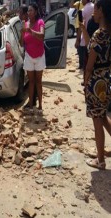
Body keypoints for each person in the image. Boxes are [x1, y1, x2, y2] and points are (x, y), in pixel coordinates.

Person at [83, 0, 111, 170]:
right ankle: (100, 155)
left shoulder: (99, 34)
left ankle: (100, 160)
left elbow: (89, 65)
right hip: (106, 78)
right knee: (102, 116)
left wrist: (86, 82)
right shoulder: (109, 33)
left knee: (97, 121)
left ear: (101, 11)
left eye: (95, 9)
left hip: (96, 81)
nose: (93, 12)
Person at [20, 3, 45, 115]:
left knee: (38, 82)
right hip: (29, 56)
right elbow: (22, 43)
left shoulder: (40, 22)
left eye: (31, 11)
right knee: (31, 82)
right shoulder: (26, 24)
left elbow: (42, 36)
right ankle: (31, 106)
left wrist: (31, 31)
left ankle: (40, 106)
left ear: (35, 12)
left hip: (39, 56)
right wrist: (22, 33)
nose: (28, 13)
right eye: (28, 11)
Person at [75, 0, 94, 70]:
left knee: (85, 64)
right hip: (94, 37)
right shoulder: (94, 7)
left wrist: (77, 40)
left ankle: (86, 79)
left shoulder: (83, 10)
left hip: (84, 39)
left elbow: (80, 27)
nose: (81, 1)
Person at [70, 0, 84, 68]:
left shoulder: (84, 4)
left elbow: (71, 5)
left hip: (81, 26)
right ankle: (81, 62)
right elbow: (71, 6)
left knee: (81, 44)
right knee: (79, 44)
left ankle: (82, 63)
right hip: (77, 25)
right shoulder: (79, 3)